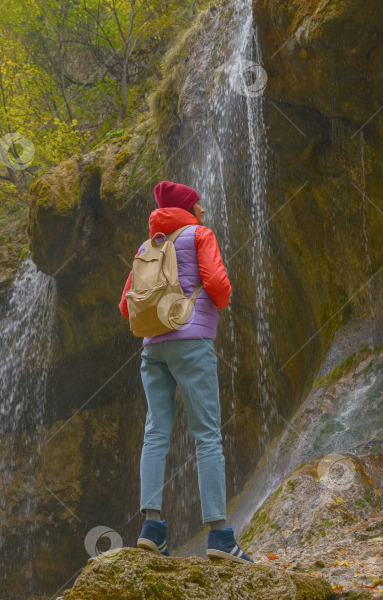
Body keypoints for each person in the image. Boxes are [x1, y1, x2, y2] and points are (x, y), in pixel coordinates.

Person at [118, 181, 254, 564]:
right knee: (207, 435)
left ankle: (152, 528)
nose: (203, 211)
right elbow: (217, 285)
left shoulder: (147, 247)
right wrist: (217, 304)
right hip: (192, 343)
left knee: (156, 432)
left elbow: (126, 307)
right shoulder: (199, 234)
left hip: (152, 348)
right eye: (198, 205)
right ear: (188, 208)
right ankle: (219, 536)